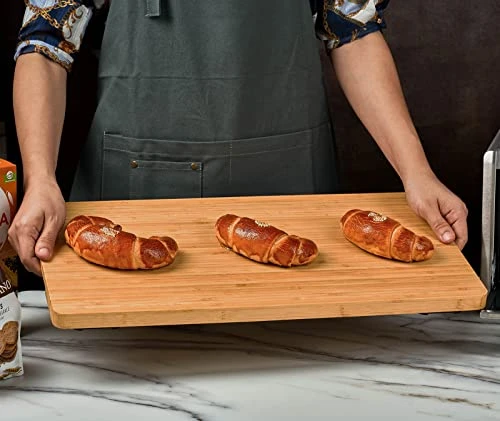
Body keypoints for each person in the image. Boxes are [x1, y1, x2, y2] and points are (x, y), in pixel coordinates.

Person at [8, 0, 468, 277]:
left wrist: (416, 172)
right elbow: (44, 47)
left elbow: (354, 32)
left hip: (290, 194)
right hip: (136, 196)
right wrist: (41, 179)